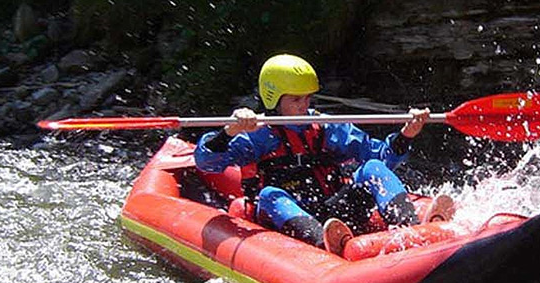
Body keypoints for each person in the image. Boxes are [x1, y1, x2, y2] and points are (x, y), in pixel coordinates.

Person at [194, 54, 453, 255]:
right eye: (296, 100)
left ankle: (414, 227)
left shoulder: (327, 127)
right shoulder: (256, 133)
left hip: (332, 208)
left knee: (372, 167)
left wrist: (407, 134)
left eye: (307, 98)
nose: (304, 106)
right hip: (286, 217)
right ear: (273, 98)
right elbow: (207, 162)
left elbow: (381, 157)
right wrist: (228, 131)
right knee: (269, 194)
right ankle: (327, 246)